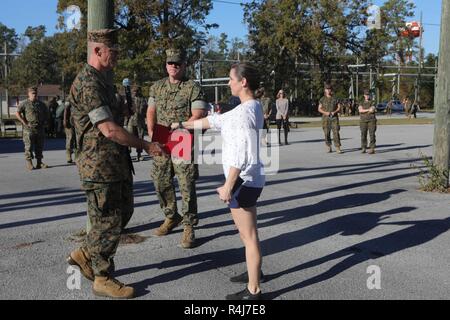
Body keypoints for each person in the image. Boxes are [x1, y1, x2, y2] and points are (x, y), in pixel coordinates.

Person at [66, 29, 164, 299]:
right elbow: (109, 129)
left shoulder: (102, 80)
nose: (117, 58)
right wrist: (145, 145)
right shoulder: (88, 82)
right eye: (114, 52)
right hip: (99, 166)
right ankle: (103, 277)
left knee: (123, 212)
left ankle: (86, 253)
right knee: (107, 220)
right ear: (98, 51)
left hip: (114, 163)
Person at [170, 62, 265, 300]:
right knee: (247, 234)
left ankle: (254, 290)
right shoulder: (251, 107)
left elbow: (241, 154)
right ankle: (254, 272)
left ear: (243, 82)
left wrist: (227, 186)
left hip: (242, 181)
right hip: (251, 179)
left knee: (249, 236)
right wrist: (181, 125)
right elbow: (212, 122)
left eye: (231, 79)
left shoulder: (242, 114)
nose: (228, 82)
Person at [146, 48, 208, 249]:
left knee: (186, 184)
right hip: (161, 137)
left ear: (184, 65)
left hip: (181, 137)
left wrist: (179, 130)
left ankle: (189, 225)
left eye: (177, 63)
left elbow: (197, 114)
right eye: (170, 63)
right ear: (165, 65)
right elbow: (151, 111)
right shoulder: (157, 87)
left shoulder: (192, 87)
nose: (173, 66)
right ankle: (171, 216)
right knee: (160, 180)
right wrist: (151, 134)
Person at [15, 86, 49, 171]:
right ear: (29, 94)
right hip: (29, 129)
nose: (34, 95)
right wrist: (24, 122)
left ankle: (39, 162)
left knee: (39, 146)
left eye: (36, 93)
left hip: (39, 128)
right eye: (33, 93)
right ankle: (29, 163)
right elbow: (17, 113)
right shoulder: (24, 103)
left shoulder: (41, 104)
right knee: (28, 146)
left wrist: (44, 122)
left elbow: (46, 114)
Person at [318, 83, 342, 153]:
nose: (328, 90)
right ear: (325, 90)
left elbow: (339, 107)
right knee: (326, 133)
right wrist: (325, 113)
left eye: (329, 89)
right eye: (327, 89)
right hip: (326, 118)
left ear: (331, 90)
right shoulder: (322, 99)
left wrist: (334, 112)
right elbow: (319, 109)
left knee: (336, 132)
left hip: (334, 118)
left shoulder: (335, 98)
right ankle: (329, 146)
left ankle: (338, 147)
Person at [127, 86, 148, 161]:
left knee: (140, 138)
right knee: (129, 137)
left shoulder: (143, 99)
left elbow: (146, 110)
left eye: (136, 91)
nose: (135, 92)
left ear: (139, 91)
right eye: (133, 91)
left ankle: (139, 154)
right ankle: (128, 155)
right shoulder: (130, 99)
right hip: (131, 121)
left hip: (140, 121)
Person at [358, 89, 377, 154]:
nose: (367, 96)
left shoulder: (373, 102)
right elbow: (360, 110)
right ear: (364, 95)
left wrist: (364, 110)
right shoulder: (361, 102)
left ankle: (372, 148)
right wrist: (368, 109)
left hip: (371, 120)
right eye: (366, 94)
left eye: (368, 94)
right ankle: (363, 147)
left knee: (372, 134)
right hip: (363, 121)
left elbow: (372, 109)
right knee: (363, 134)